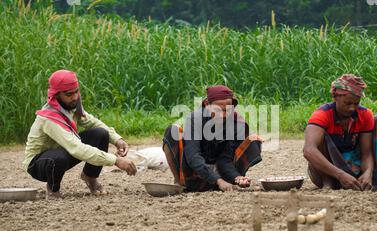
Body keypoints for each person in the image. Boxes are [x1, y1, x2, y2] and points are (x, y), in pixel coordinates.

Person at [23, 70, 137, 198]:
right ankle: (53, 189)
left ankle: (90, 176)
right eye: (69, 94)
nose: (75, 97)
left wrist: (116, 139)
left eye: (76, 91)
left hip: (62, 151)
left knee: (101, 134)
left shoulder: (70, 106)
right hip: (39, 163)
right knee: (57, 158)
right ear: (57, 95)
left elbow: (93, 123)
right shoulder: (49, 118)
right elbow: (77, 148)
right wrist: (115, 160)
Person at [303, 74, 377, 191]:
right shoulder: (322, 115)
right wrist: (340, 175)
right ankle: (329, 183)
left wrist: (368, 172)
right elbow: (308, 150)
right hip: (330, 171)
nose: (352, 108)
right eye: (347, 103)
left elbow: (366, 153)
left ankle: (371, 181)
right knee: (320, 136)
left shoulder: (364, 115)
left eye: (356, 104)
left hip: (354, 166)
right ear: (335, 97)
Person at [163, 85, 262, 192]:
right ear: (207, 106)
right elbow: (193, 156)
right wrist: (217, 180)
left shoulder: (236, 123)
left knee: (253, 139)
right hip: (194, 172)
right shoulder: (194, 120)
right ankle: (179, 183)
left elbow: (225, 159)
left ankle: (235, 180)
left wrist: (236, 177)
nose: (223, 115)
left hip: (222, 173)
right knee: (173, 130)